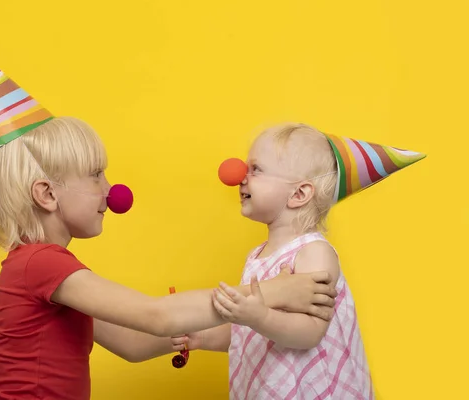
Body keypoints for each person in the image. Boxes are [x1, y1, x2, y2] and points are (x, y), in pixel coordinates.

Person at [0, 44, 338, 400]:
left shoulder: (44, 269)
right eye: (96, 175)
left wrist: (201, 335)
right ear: (47, 195)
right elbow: (156, 316)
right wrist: (275, 292)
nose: (112, 190)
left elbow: (133, 343)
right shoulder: (40, 264)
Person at [172, 122, 426, 399]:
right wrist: (203, 338)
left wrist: (259, 316)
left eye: (256, 169)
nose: (240, 175)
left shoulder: (315, 253)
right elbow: (250, 334)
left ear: (299, 194)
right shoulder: (257, 257)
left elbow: (310, 333)